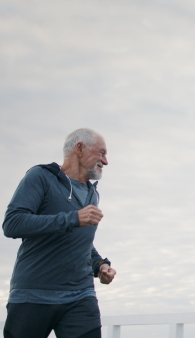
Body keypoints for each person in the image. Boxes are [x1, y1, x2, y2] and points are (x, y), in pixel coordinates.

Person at [2, 128, 117, 338]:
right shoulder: (41, 177)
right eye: (101, 152)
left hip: (81, 296)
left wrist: (100, 265)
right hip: (34, 295)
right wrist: (72, 218)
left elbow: (79, 243)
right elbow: (12, 223)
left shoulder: (92, 193)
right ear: (79, 148)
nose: (106, 161)